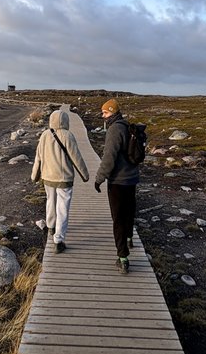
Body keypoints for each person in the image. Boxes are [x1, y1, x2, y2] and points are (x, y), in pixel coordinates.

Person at [31, 109, 89, 253]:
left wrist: (34, 175)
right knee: (62, 207)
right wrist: (85, 175)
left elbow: (38, 156)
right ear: (66, 121)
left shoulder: (45, 135)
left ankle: (50, 226)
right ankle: (59, 239)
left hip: (48, 176)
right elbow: (76, 157)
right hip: (64, 178)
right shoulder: (68, 135)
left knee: (50, 201)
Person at [93, 98, 138, 274]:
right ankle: (129, 238)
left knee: (118, 219)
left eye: (105, 112)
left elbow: (108, 158)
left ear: (112, 111)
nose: (103, 116)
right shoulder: (128, 126)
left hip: (117, 182)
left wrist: (99, 179)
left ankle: (123, 257)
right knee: (129, 211)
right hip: (132, 179)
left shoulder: (114, 130)